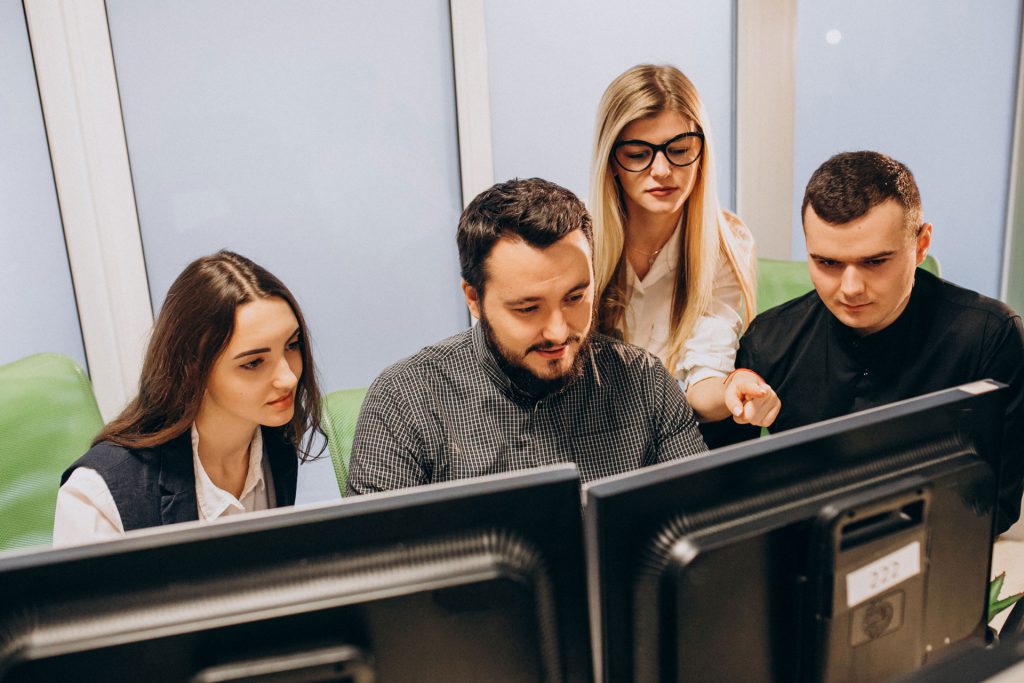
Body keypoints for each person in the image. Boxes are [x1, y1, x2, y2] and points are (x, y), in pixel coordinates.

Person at [712, 151, 1024, 533]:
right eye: (827, 263)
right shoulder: (769, 341)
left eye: (875, 262)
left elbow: (997, 506)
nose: (850, 288)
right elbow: (718, 499)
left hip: (933, 557)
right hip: (801, 558)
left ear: (921, 244)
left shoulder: (990, 336)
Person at [346, 178, 707, 494]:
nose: (558, 331)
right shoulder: (406, 402)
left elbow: (704, 533)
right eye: (527, 308)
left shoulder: (644, 383)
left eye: (575, 298)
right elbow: (372, 566)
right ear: (474, 298)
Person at [53, 250, 324, 545]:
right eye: (254, 363)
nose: (288, 377)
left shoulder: (275, 443)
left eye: (292, 345)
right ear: (193, 368)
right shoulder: (96, 496)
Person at [591, 64, 780, 428]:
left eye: (679, 150)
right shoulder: (579, 239)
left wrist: (731, 389)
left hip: (678, 432)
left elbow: (704, 382)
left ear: (701, 153)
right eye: (637, 154)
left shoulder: (726, 242)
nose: (662, 170)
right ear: (611, 161)